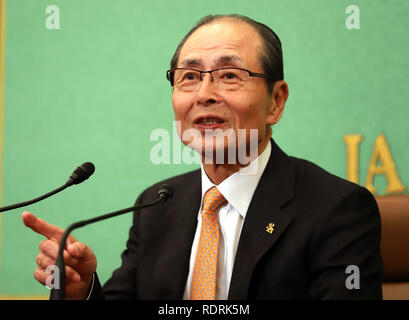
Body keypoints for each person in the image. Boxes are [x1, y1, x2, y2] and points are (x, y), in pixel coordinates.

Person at [22, 14, 382, 300]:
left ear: (276, 101)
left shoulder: (337, 209)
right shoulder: (157, 204)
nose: (205, 94)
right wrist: (82, 289)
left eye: (229, 75)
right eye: (190, 76)